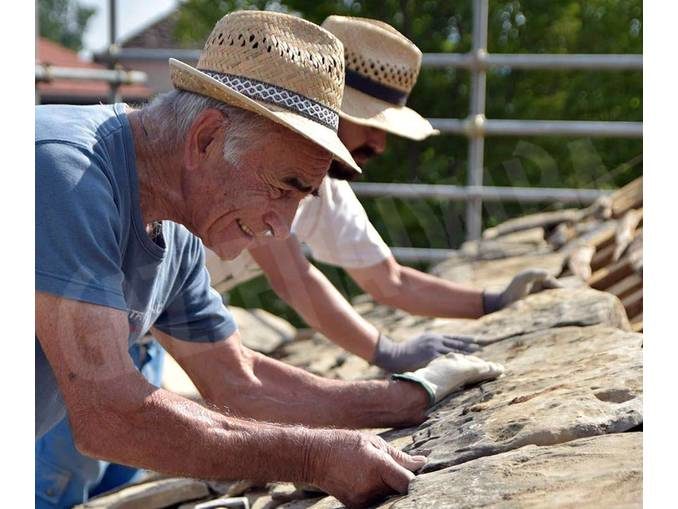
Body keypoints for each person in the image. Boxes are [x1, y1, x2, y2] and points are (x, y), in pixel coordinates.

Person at [36, 11, 503, 509]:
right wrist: (310, 458)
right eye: (285, 188)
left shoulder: (178, 235)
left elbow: (241, 382)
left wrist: (409, 397)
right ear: (206, 139)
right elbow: (110, 415)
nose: (281, 228)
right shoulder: (65, 173)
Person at [206, 15, 559, 374]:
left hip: (152, 326)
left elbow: (390, 281)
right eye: (371, 123)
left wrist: (494, 302)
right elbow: (292, 279)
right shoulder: (259, 161)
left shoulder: (324, 187)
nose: (380, 143)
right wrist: (387, 352)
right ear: (327, 106)